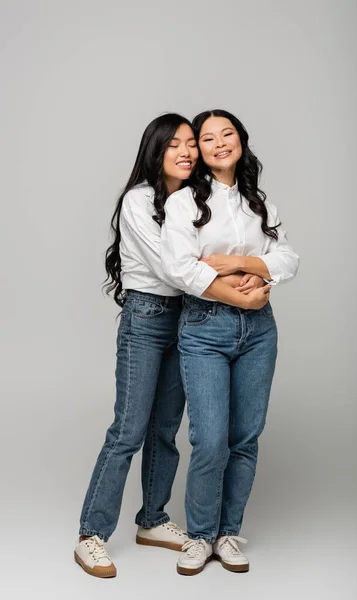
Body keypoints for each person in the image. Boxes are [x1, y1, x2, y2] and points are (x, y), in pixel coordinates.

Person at [74, 113, 266, 578]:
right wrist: (239, 281)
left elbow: (198, 263)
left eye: (190, 144)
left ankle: (153, 519)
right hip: (146, 318)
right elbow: (170, 267)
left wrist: (223, 268)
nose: (185, 152)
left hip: (188, 317)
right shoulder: (139, 200)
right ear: (155, 152)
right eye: (172, 145)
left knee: (166, 427)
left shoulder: (194, 201)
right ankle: (91, 535)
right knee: (129, 430)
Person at [160, 109, 300, 576]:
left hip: (260, 332)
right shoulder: (184, 204)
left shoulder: (258, 201)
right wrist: (236, 286)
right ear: (197, 149)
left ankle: (227, 533)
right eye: (207, 138)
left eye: (228, 134)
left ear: (240, 140)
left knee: (245, 438)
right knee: (211, 439)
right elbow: (179, 268)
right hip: (205, 328)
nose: (220, 143)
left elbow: (288, 257)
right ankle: (200, 536)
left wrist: (233, 263)